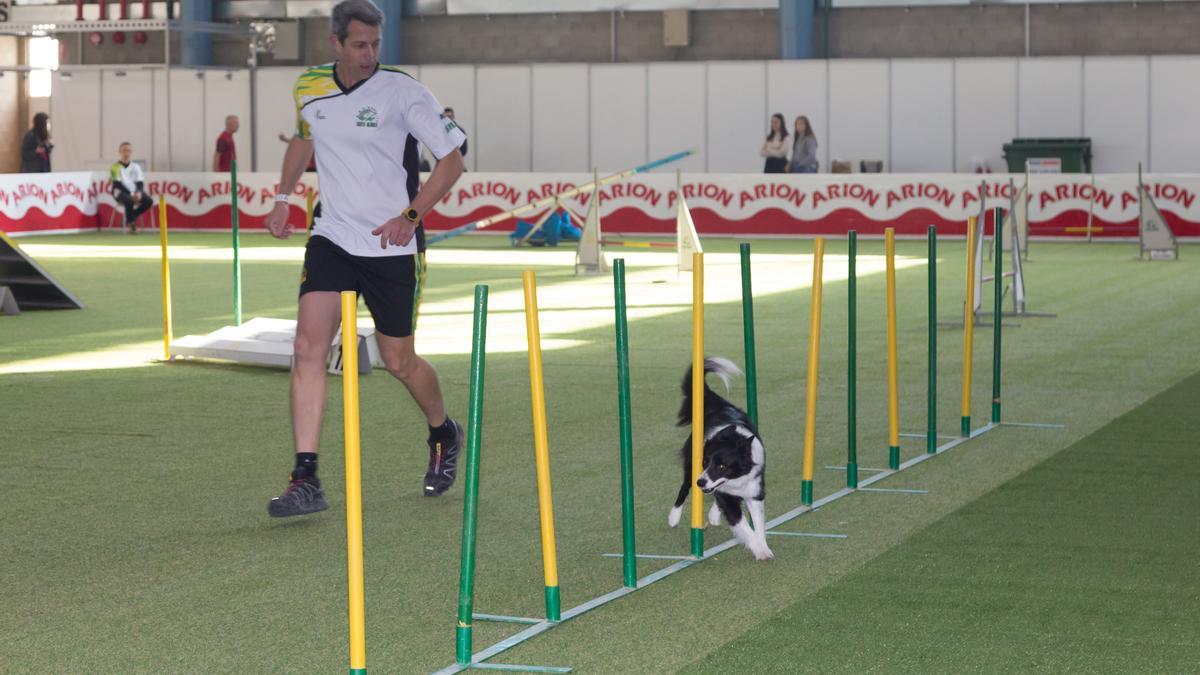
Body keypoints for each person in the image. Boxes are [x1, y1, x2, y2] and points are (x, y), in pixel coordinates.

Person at [263, 0, 468, 517]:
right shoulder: (309, 88)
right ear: (335, 43)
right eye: (360, 45)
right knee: (309, 347)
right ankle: (305, 477)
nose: (370, 54)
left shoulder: (403, 91)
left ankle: (443, 432)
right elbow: (303, 142)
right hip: (332, 235)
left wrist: (412, 215)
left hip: (391, 244)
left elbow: (452, 161)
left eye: (376, 44)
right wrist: (284, 197)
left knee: (397, 359)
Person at [110, 142, 153, 233]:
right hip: (119, 191)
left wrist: (139, 192)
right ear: (120, 152)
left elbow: (140, 182)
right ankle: (131, 224)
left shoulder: (136, 167)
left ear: (131, 152)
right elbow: (117, 184)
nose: (126, 153)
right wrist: (132, 194)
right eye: (124, 150)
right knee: (129, 200)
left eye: (128, 151)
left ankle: (132, 216)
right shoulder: (115, 167)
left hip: (134, 191)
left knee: (149, 201)